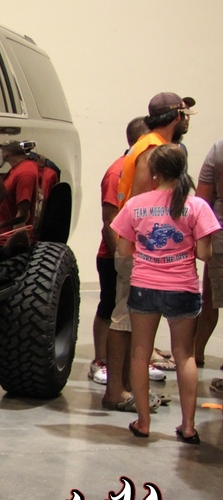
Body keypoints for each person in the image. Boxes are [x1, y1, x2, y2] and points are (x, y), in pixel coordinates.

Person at [111, 143, 219, 443]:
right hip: (182, 287)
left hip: (144, 286)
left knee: (140, 353)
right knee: (185, 355)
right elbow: (204, 254)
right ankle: (188, 426)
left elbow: (123, 248)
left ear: (154, 173)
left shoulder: (136, 204)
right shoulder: (197, 206)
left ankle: (143, 422)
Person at [102, 92, 194, 411]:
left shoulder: (149, 144)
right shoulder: (152, 148)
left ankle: (127, 388)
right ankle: (116, 391)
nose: (187, 121)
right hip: (139, 249)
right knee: (124, 319)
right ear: (175, 116)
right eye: (185, 115)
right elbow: (143, 204)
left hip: (140, 247)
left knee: (130, 320)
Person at [90, 117, 151, 385]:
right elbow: (109, 220)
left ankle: (131, 364)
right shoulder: (118, 172)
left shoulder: (144, 172)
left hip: (137, 257)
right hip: (113, 255)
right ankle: (100, 360)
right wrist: (120, 258)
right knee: (109, 307)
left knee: (132, 312)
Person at [193, 139, 223, 376]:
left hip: (220, 239)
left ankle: (194, 354)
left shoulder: (219, 148)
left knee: (211, 303)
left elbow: (202, 200)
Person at [0, 142, 58, 228]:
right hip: (5, 231)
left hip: (9, 233)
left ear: (6, 154)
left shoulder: (24, 173)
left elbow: (23, 213)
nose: (1, 154)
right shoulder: (18, 168)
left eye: (2, 151)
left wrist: (0, 227)